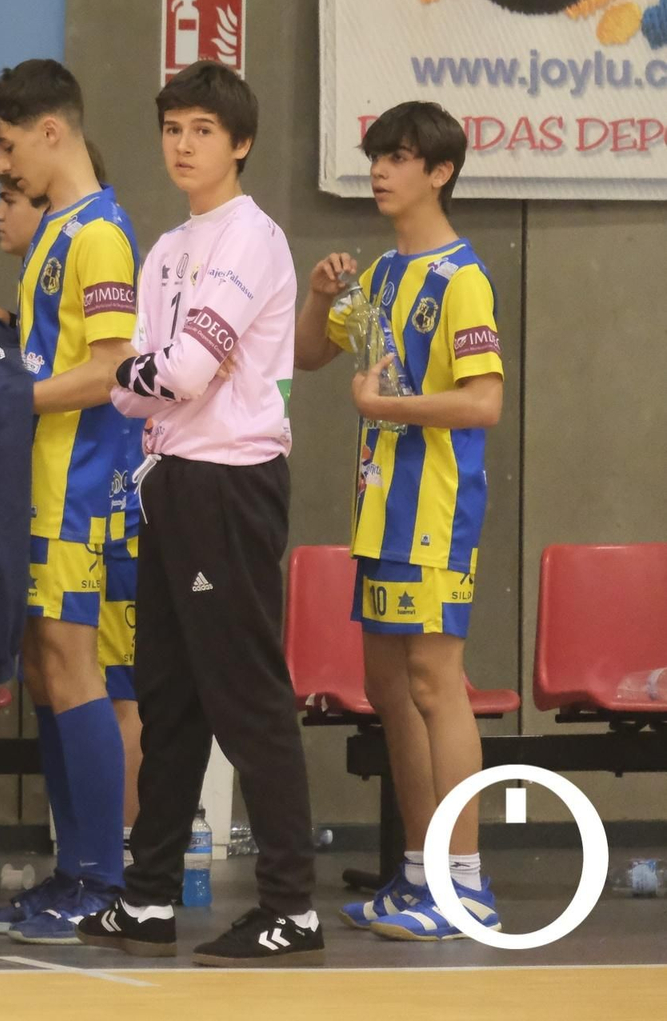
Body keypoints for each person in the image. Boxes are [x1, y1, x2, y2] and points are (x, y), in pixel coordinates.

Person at [79, 60, 323, 966]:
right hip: (169, 482)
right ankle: (147, 901)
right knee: (170, 699)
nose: (184, 146)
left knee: (247, 695)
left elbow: (172, 374)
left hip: (230, 481)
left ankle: (292, 907)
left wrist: (150, 378)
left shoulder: (251, 239)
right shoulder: (166, 251)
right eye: (173, 129)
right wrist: (148, 379)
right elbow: (134, 389)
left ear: (241, 142)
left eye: (203, 132)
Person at [295, 101, 505, 941]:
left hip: (436, 514)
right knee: (389, 691)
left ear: (440, 172)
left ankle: (466, 885)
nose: (380, 170)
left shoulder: (465, 278)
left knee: (433, 684)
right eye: (376, 155)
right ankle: (417, 874)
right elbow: (311, 355)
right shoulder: (381, 275)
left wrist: (391, 405)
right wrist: (318, 298)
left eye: (400, 157)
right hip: (378, 512)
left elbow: (484, 401)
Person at [0, 62, 141, 943]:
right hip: (36, 486)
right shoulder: (57, 234)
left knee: (77, 675)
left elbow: (110, 370)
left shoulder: (101, 233)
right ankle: (75, 868)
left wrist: (5, 397)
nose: (1, 169)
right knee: (48, 670)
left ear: (52, 131)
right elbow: (55, 357)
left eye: (5, 146)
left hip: (77, 489)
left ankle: (102, 879)